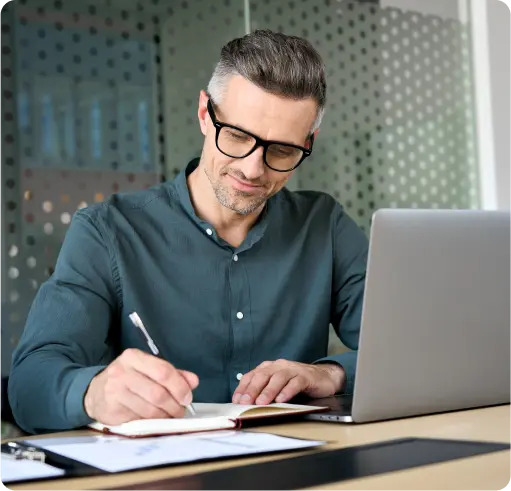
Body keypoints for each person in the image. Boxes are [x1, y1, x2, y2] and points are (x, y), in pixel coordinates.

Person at [9, 30, 368, 433]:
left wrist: (332, 373)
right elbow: (29, 384)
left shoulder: (325, 226)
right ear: (204, 113)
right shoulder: (107, 232)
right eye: (236, 136)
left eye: (282, 150)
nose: (252, 169)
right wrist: (93, 392)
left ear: (308, 142)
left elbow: (409, 354)